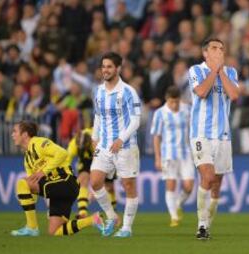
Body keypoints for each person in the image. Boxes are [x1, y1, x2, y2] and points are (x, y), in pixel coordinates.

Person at [10, 120, 103, 236]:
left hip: (65, 181)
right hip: (59, 188)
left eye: (15, 131)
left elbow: (62, 153)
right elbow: (32, 184)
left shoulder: (38, 143)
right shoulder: (27, 159)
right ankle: (93, 220)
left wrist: (44, 171)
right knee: (54, 231)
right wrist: (26, 197)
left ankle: (31, 227)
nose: (12, 135)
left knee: (21, 183)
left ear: (24, 134)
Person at [188, 38, 240, 240]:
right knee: (207, 177)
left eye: (221, 48)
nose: (219, 51)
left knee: (216, 185)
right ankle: (201, 225)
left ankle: (207, 224)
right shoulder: (196, 71)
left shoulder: (231, 72)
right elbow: (201, 92)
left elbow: (234, 95)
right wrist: (213, 71)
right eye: (214, 48)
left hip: (223, 136)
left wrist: (220, 71)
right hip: (200, 133)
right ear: (205, 53)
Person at [90, 52, 141, 238]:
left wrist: (121, 139)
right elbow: (97, 115)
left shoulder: (128, 92)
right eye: (103, 66)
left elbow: (136, 120)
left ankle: (127, 228)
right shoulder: (99, 91)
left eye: (109, 66)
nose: (105, 70)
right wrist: (94, 137)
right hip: (103, 146)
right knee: (95, 182)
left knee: (129, 185)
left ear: (118, 68)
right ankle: (112, 217)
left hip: (125, 147)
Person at [151, 86, 195, 227]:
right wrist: (157, 157)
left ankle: (177, 203)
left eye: (176, 102)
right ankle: (174, 217)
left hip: (186, 153)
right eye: (171, 102)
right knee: (171, 185)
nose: (174, 105)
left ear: (179, 99)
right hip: (168, 154)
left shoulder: (187, 110)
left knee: (189, 186)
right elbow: (156, 137)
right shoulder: (160, 114)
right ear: (167, 100)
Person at [66, 128, 117, 219]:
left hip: (104, 155)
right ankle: (83, 212)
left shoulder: (98, 139)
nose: (83, 148)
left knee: (109, 186)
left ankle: (112, 212)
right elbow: (67, 161)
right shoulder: (73, 144)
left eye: (85, 147)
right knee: (82, 180)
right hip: (86, 159)